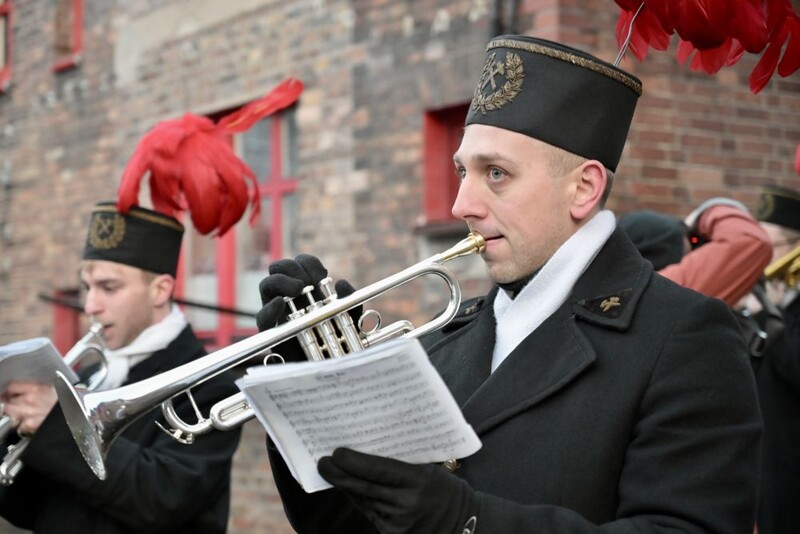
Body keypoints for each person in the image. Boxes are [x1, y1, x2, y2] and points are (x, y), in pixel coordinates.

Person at [256, 35, 762, 532]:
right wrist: (311, 391)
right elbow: (349, 522)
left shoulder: (684, 335)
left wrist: (466, 520)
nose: (461, 205)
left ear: (583, 188)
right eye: (462, 171)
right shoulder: (451, 331)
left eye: (496, 173)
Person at [0, 202, 243, 533]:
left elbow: (164, 499)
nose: (90, 306)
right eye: (87, 287)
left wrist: (57, 425)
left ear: (160, 290)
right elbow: (29, 510)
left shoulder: (210, 386)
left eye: (109, 288)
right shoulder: (89, 377)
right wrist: (19, 429)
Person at [744, 185, 800, 534]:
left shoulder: (783, 302)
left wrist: (770, 316)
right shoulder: (766, 291)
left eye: (769, 245)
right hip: (763, 445)